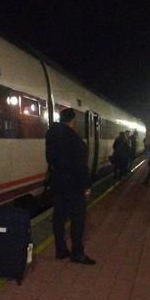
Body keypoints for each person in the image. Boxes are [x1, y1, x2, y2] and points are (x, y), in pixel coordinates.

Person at [45, 108, 96, 264]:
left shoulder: (51, 135)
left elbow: (50, 159)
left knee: (59, 218)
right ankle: (77, 253)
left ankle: (60, 250)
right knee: (78, 219)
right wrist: (86, 186)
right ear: (73, 121)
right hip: (74, 186)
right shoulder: (74, 139)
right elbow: (80, 166)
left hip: (58, 183)